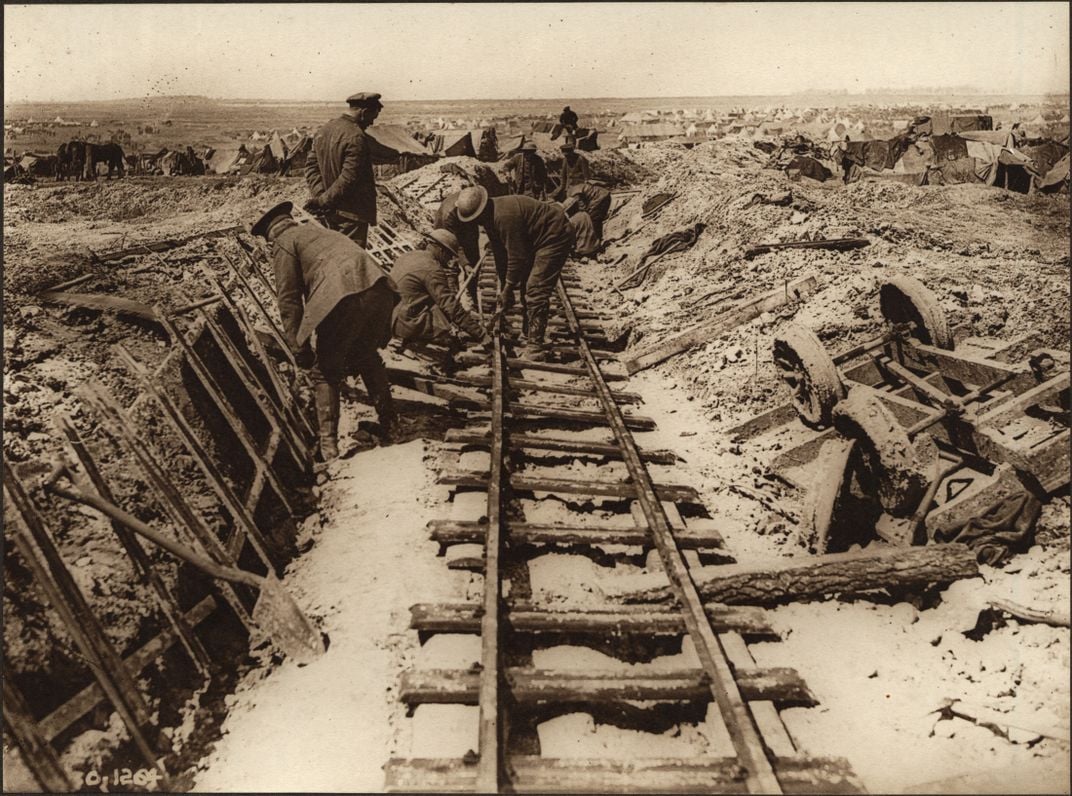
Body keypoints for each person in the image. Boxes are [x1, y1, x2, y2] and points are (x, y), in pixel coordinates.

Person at [250, 201, 400, 463]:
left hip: (344, 297)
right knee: (366, 355)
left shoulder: (284, 243)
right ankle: (391, 423)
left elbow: (289, 300)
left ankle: (328, 449)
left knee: (325, 372)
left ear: (268, 235)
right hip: (380, 288)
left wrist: (299, 349)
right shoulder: (321, 232)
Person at [455, 186, 575, 360]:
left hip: (554, 236)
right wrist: (504, 285)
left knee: (535, 289)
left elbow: (516, 256)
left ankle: (535, 347)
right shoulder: (490, 217)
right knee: (527, 286)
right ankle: (528, 334)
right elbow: (500, 253)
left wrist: (508, 289)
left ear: (480, 212)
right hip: (535, 240)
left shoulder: (504, 217)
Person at [304, 91, 383, 247]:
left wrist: (321, 196)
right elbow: (349, 178)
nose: (372, 123)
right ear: (364, 112)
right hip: (351, 215)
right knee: (350, 261)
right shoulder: (356, 136)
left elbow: (311, 167)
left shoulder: (324, 130)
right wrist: (323, 200)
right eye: (372, 118)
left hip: (329, 211)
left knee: (334, 255)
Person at [391, 229, 488, 346]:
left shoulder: (407, 256)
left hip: (390, 317)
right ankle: (417, 339)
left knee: (437, 307)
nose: (449, 260)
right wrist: (481, 334)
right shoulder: (432, 268)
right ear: (441, 251)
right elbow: (450, 305)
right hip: (406, 323)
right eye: (449, 255)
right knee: (446, 329)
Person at [434, 190, 483, 301]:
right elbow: (455, 245)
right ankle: (454, 301)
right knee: (451, 268)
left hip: (466, 227)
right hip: (446, 236)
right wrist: (465, 264)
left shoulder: (471, 199)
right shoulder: (447, 217)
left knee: (474, 261)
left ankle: (472, 293)